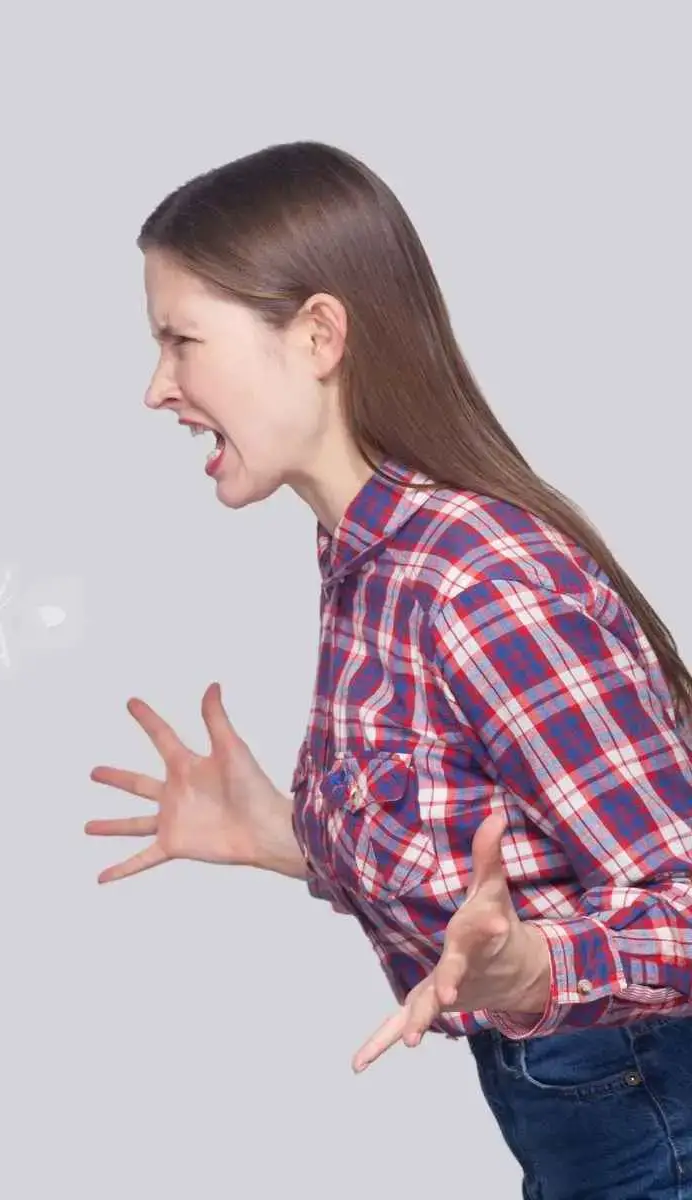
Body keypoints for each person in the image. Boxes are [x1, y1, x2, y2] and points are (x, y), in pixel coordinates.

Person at [86, 140, 692, 1197]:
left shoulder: (474, 581)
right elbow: (472, 842)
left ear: (318, 334)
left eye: (181, 340)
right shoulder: (369, 559)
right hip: (586, 1134)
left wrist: (538, 968)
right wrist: (283, 837)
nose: (156, 388)